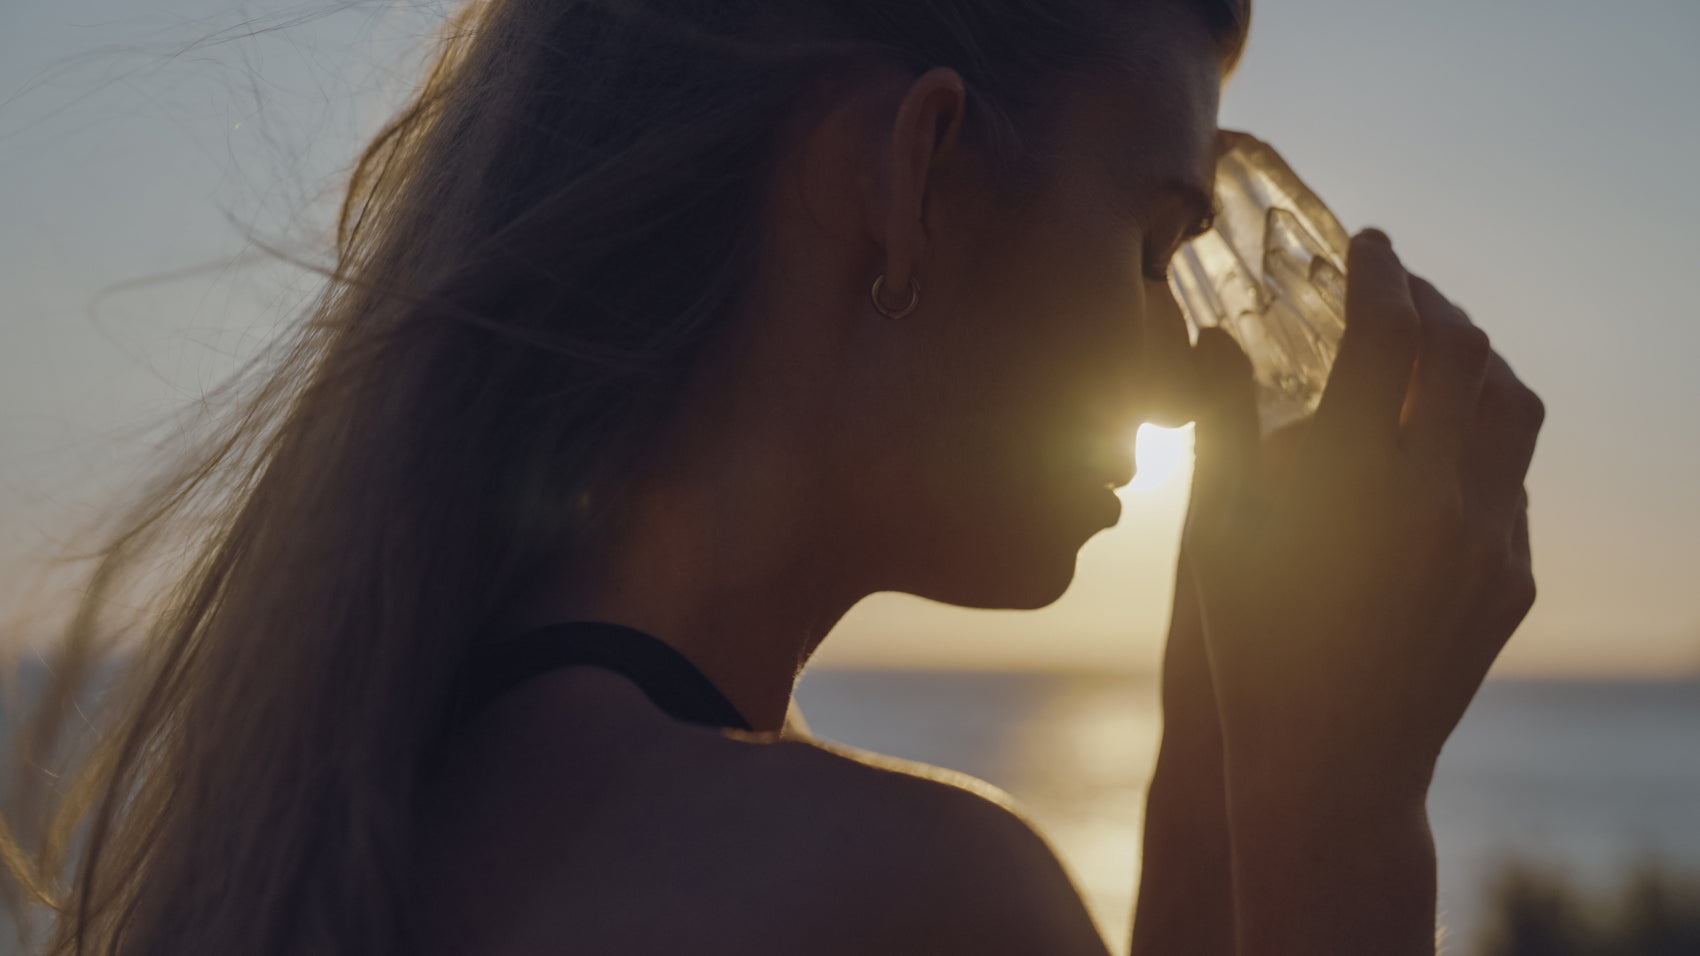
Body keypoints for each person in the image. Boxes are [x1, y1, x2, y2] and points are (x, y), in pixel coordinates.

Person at [0, 0, 1544, 953]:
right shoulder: (902, 903)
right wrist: (1344, 815)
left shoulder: (392, 800)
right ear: (911, 179)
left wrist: (1224, 749)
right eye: (1152, 243)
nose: (1176, 370)